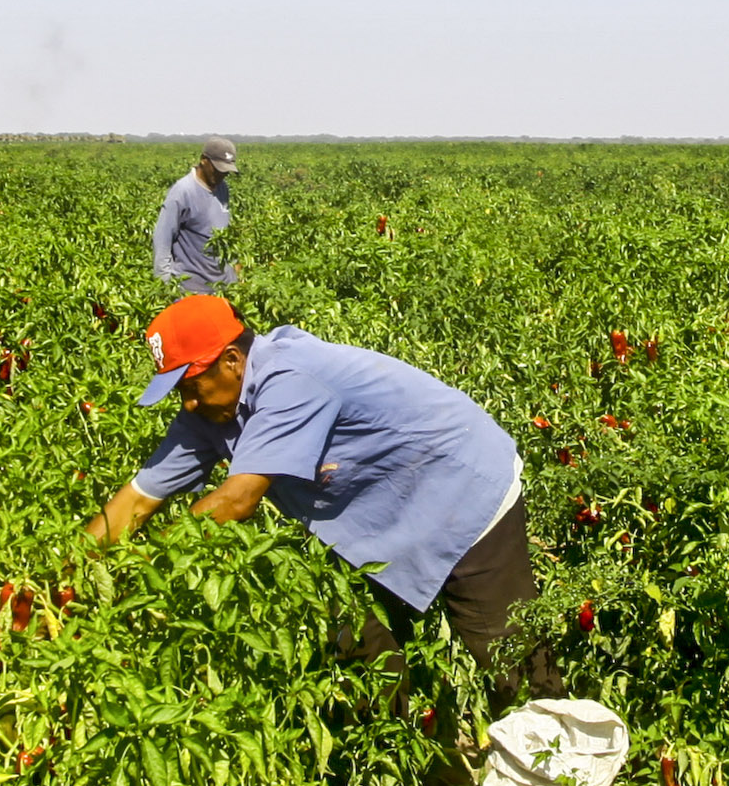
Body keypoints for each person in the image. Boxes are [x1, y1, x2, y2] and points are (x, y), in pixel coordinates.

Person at [84, 294, 561, 709]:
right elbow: (138, 499)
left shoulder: (292, 380)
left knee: (506, 656)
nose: (187, 404)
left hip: (459, 492)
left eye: (191, 386)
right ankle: (418, 775)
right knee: (361, 648)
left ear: (231, 361)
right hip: (375, 520)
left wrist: (144, 572)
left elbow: (236, 501)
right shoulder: (209, 410)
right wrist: (69, 576)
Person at [151, 139, 241, 293]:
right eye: (217, 169)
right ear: (204, 160)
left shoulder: (223, 188)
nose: (221, 175)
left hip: (223, 288)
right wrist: (165, 287)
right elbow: (162, 241)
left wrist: (235, 269)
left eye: (225, 172)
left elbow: (223, 233)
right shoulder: (182, 192)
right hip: (192, 289)